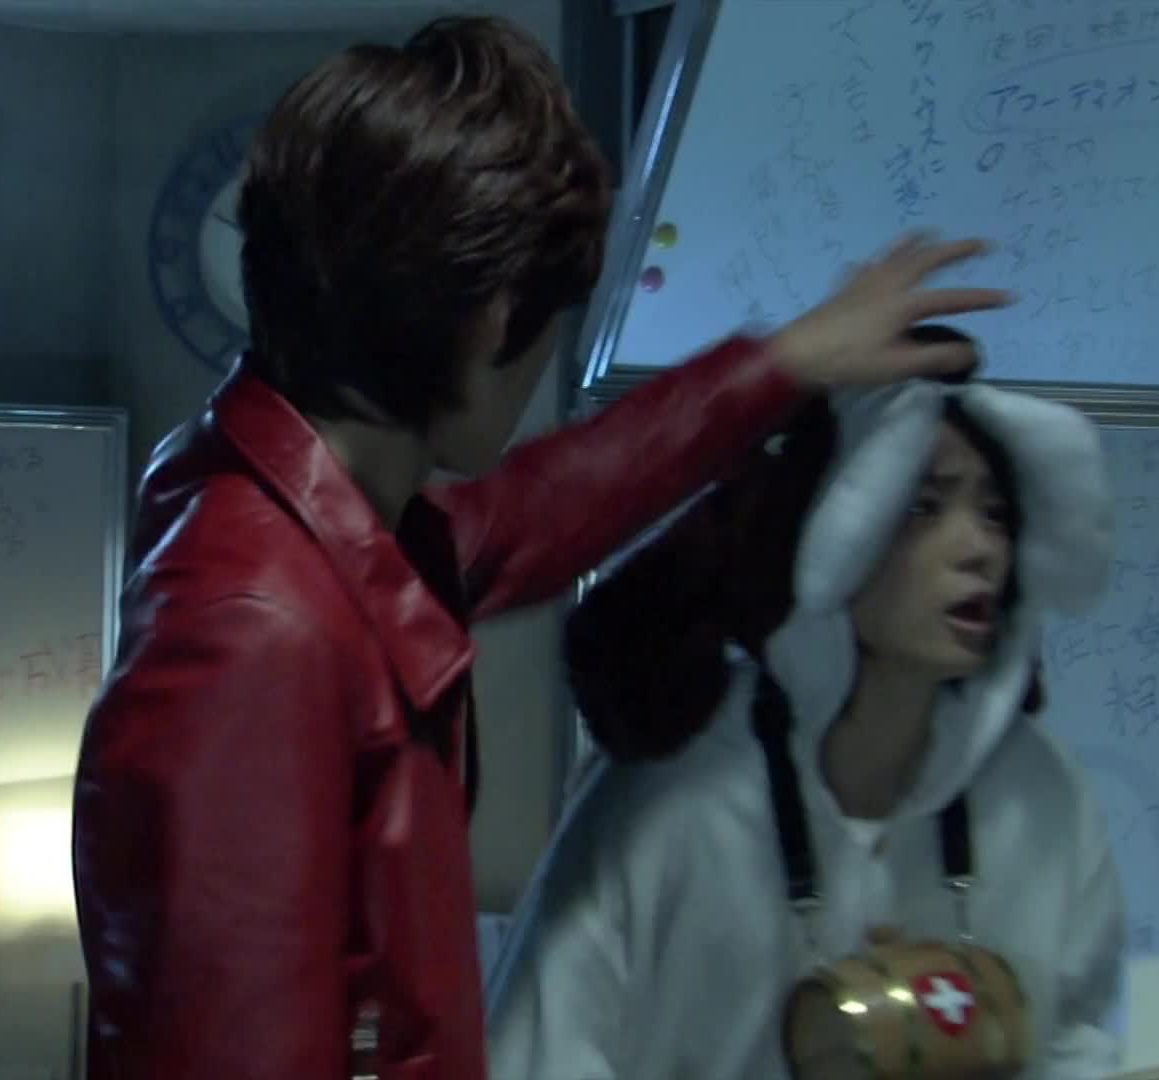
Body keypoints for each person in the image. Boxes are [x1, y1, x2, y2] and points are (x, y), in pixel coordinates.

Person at [70, 15, 1012, 1080]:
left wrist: (787, 362)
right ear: (490, 323)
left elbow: (531, 516)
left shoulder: (304, 511)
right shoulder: (255, 635)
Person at [486, 327, 1127, 1079]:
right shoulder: (674, 797)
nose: (978, 549)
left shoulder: (1039, 792)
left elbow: (1075, 1040)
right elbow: (538, 1054)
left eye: (995, 514)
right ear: (825, 528)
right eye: (923, 507)